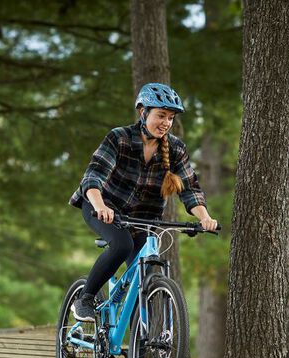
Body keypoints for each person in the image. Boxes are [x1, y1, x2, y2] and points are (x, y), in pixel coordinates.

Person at [68, 83, 219, 325]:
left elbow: (190, 189)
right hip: (102, 206)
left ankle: (143, 351)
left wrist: (204, 218)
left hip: (143, 218)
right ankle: (85, 298)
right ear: (143, 112)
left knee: (144, 278)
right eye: (161, 115)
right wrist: (100, 206)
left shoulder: (176, 149)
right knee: (121, 245)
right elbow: (93, 176)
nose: (166, 123)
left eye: (170, 118)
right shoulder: (120, 138)